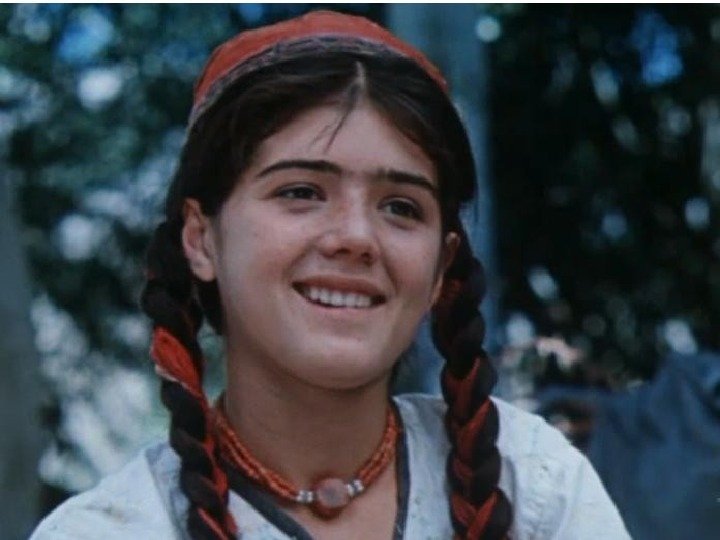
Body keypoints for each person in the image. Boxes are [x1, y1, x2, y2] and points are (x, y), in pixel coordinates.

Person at [31, 11, 629, 540]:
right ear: (201, 238)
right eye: (301, 192)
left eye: (401, 207)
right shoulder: (113, 529)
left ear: (441, 265)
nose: (356, 238)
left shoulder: (533, 485)